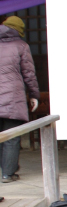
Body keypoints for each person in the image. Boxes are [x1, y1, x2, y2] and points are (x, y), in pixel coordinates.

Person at [0, 16, 39, 184]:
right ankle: (8, 174)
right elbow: (29, 74)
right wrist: (34, 95)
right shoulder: (21, 46)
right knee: (11, 136)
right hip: (12, 98)